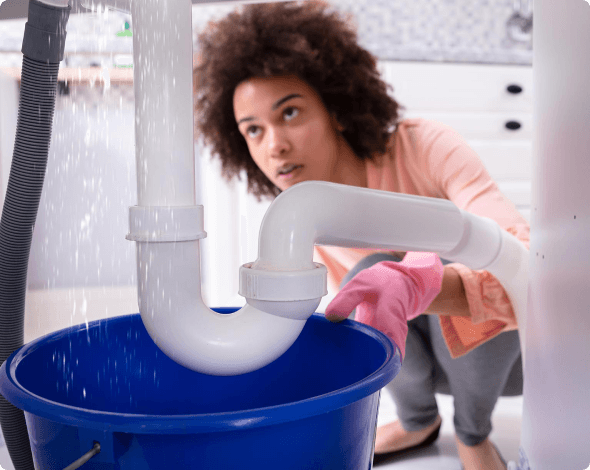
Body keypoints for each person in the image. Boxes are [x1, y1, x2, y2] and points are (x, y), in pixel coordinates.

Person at [193, 2, 529, 469]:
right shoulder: (304, 218)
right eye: (253, 130)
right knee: (367, 277)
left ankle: (473, 433)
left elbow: (526, 262)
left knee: (437, 253)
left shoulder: (424, 148)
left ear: (337, 110)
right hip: (425, 368)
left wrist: (423, 282)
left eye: (289, 113)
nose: (274, 146)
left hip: (506, 364)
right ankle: (418, 420)